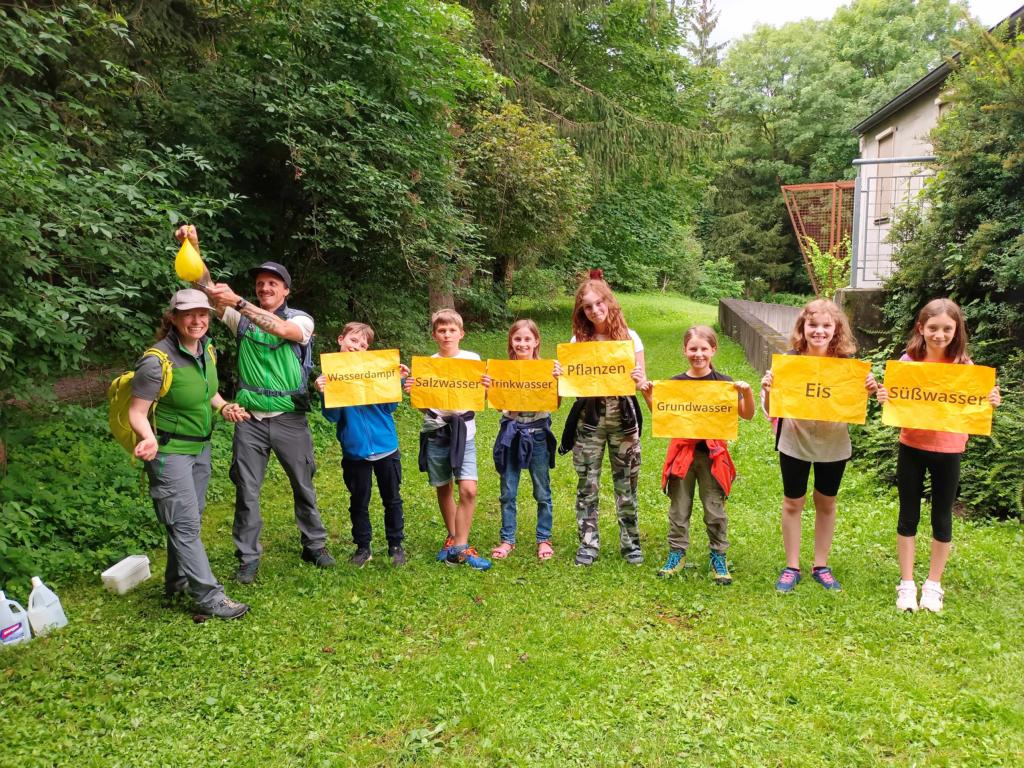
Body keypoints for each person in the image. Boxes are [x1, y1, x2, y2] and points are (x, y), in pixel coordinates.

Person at [174, 225, 335, 585]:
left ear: (285, 290)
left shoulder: (300, 319)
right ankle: (247, 557)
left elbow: (284, 333)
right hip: (249, 420)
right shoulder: (238, 319)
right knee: (247, 491)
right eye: (260, 283)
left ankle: (315, 545)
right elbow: (205, 290)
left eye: (272, 284)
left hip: (289, 418)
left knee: (302, 484)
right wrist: (194, 248)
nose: (264, 288)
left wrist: (240, 303)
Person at [128, 289, 250, 620]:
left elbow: (208, 392)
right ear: (173, 318)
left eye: (203, 315)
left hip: (200, 447)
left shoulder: (206, 349)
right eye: (188, 315)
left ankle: (176, 580)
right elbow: (137, 411)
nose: (197, 321)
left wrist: (223, 406)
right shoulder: (156, 362)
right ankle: (209, 598)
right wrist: (149, 438)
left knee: (188, 520)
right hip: (170, 453)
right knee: (184, 524)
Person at [876, 298, 1001, 613]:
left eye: (947, 328)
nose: (939, 334)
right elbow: (895, 403)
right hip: (912, 446)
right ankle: (906, 584)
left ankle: (933, 584)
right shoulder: (907, 362)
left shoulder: (964, 367)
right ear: (921, 327)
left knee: (942, 518)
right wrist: (884, 396)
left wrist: (989, 400)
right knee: (908, 516)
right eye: (933, 328)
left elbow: (974, 405)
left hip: (949, 450)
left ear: (956, 329)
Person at [761, 298, 880, 593]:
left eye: (826, 326)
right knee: (793, 503)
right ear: (803, 327)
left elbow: (858, 406)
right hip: (794, 441)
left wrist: (869, 389)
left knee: (826, 503)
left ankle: (821, 565)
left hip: (834, 444)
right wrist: (767, 390)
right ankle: (791, 566)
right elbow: (771, 409)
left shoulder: (848, 367)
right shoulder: (788, 362)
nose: (819, 331)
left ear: (836, 329)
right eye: (813, 325)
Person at [635, 326, 754, 585]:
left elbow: (747, 414)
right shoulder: (676, 384)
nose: (698, 354)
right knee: (679, 508)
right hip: (682, 455)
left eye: (703, 349)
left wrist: (747, 392)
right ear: (685, 350)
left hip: (712, 456)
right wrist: (648, 395)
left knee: (715, 509)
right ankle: (677, 554)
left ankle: (718, 556)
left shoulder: (723, 384)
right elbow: (663, 415)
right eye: (693, 349)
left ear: (713, 350)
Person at [560, 270, 646, 567]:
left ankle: (631, 543)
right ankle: (588, 543)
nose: (594, 310)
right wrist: (563, 376)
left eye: (599, 303)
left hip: (623, 418)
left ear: (609, 302)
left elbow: (641, 382)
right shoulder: (578, 340)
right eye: (587, 306)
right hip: (590, 420)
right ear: (581, 311)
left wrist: (639, 378)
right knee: (588, 483)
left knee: (627, 484)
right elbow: (573, 388)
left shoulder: (630, 338)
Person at [315, 322, 410, 567]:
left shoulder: (375, 370)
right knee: (359, 501)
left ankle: (396, 544)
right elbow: (333, 417)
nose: (357, 347)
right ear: (341, 340)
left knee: (392, 498)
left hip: (386, 447)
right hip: (355, 451)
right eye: (353, 341)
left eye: (363, 344)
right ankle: (363, 547)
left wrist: (395, 382)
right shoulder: (332, 376)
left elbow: (389, 407)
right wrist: (325, 393)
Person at [403, 309, 491, 570]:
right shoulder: (428, 365)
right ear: (434, 335)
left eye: (452, 330)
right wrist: (414, 394)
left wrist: (486, 388)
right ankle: (454, 540)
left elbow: (479, 399)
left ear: (461, 333)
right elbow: (424, 407)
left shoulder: (472, 360)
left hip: (465, 434)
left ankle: (462, 547)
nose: (447, 334)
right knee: (444, 487)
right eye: (442, 330)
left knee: (469, 489)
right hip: (437, 431)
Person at [491, 319, 561, 561]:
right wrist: (492, 388)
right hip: (511, 433)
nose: (522, 343)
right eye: (517, 339)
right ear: (511, 341)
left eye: (527, 339)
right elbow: (499, 405)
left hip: (538, 434)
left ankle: (544, 538)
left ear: (536, 341)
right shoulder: (502, 371)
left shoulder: (547, 369)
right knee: (508, 490)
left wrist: (557, 382)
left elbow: (555, 404)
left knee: (542, 491)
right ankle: (507, 539)